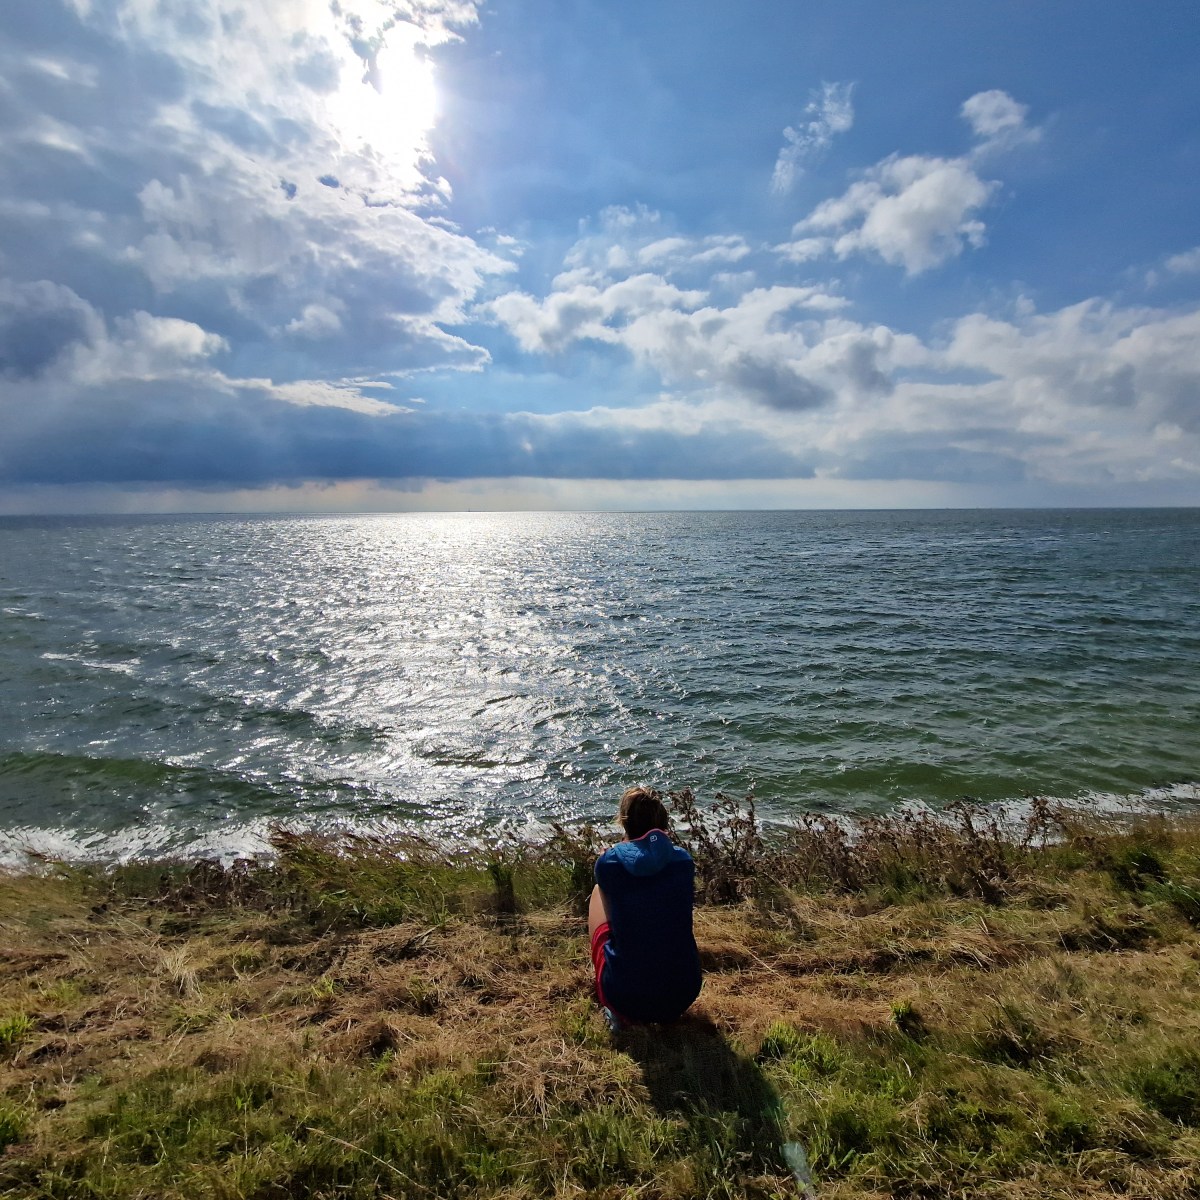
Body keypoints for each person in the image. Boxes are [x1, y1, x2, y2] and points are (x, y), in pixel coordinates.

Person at [588, 786, 702, 1028]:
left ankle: (614, 1010)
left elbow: (630, 871)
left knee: (599, 892)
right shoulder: (683, 861)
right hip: (683, 993)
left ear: (624, 823)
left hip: (627, 997)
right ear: (663, 822)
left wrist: (612, 854)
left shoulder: (609, 863)